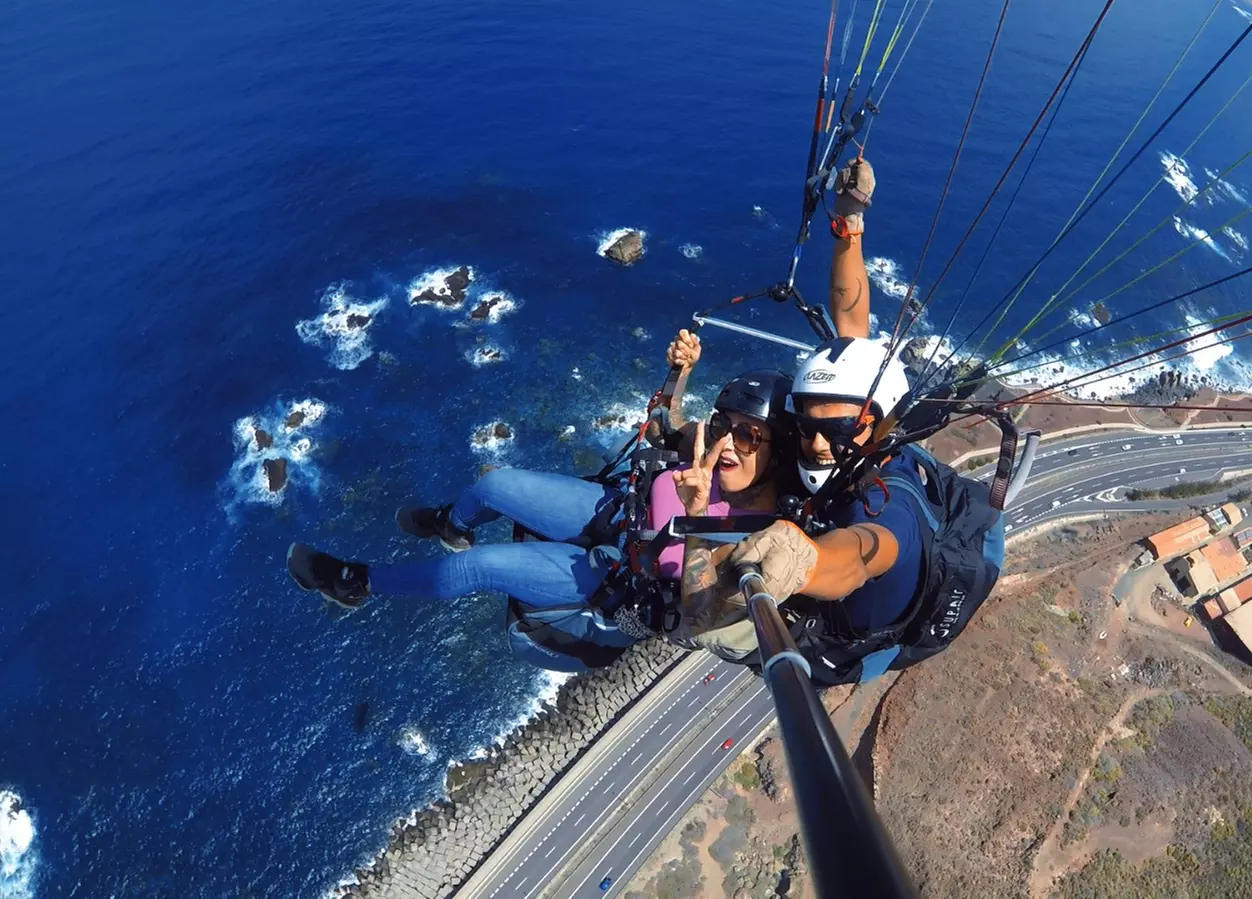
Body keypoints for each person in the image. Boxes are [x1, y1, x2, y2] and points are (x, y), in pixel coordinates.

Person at [285, 329, 796, 671]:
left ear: (779, 452)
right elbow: (667, 424)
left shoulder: (757, 537)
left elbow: (700, 615)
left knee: (477, 568)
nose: (730, 443)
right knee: (494, 484)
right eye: (725, 425)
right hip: (617, 512)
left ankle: (355, 582)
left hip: (615, 576)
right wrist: (680, 372)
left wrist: (698, 515)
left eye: (750, 435)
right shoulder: (710, 450)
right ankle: (450, 523)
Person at [681, 156, 1008, 684]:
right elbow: (851, 326)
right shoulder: (859, 431)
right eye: (806, 424)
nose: (816, 443)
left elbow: (863, 553)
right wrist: (848, 223)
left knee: (703, 623)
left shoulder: (890, 504)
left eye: (836, 431)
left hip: (836, 641)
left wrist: (807, 560)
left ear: (880, 425)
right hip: (823, 537)